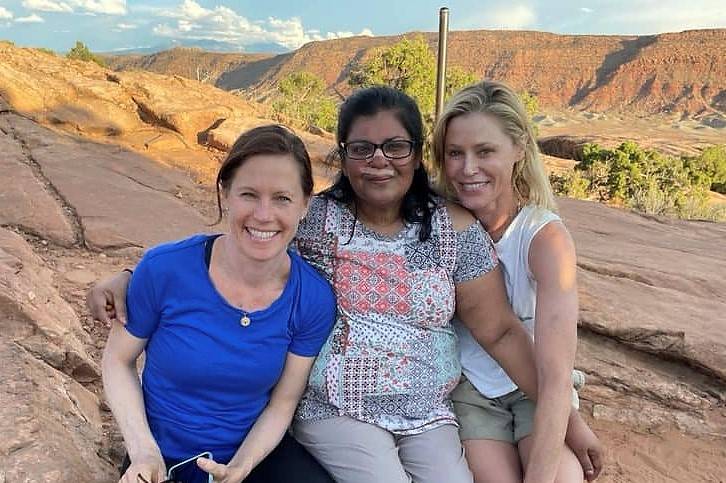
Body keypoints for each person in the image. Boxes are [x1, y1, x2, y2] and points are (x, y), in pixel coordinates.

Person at [90, 87, 583, 483]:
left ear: (416, 155)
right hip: (336, 405)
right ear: (343, 154)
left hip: (427, 413)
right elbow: (244, 235)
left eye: (396, 147)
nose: (379, 161)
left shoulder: (453, 228)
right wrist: (132, 276)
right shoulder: (316, 218)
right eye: (362, 148)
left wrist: (570, 423)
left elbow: (498, 330)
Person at [100, 125, 337, 483]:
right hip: (159, 458)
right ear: (225, 193)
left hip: (251, 456)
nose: (263, 214)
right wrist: (144, 452)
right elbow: (118, 360)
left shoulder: (312, 298)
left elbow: (282, 402)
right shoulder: (165, 269)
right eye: (248, 194)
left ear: (305, 204)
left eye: (282, 198)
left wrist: (242, 466)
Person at [431, 80, 603, 483]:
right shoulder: (438, 222)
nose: (467, 168)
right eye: (455, 153)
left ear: (519, 149)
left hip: (535, 387)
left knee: (561, 477)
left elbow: (556, 371)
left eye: (485, 151)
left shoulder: (544, 238)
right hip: (469, 387)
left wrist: (571, 423)